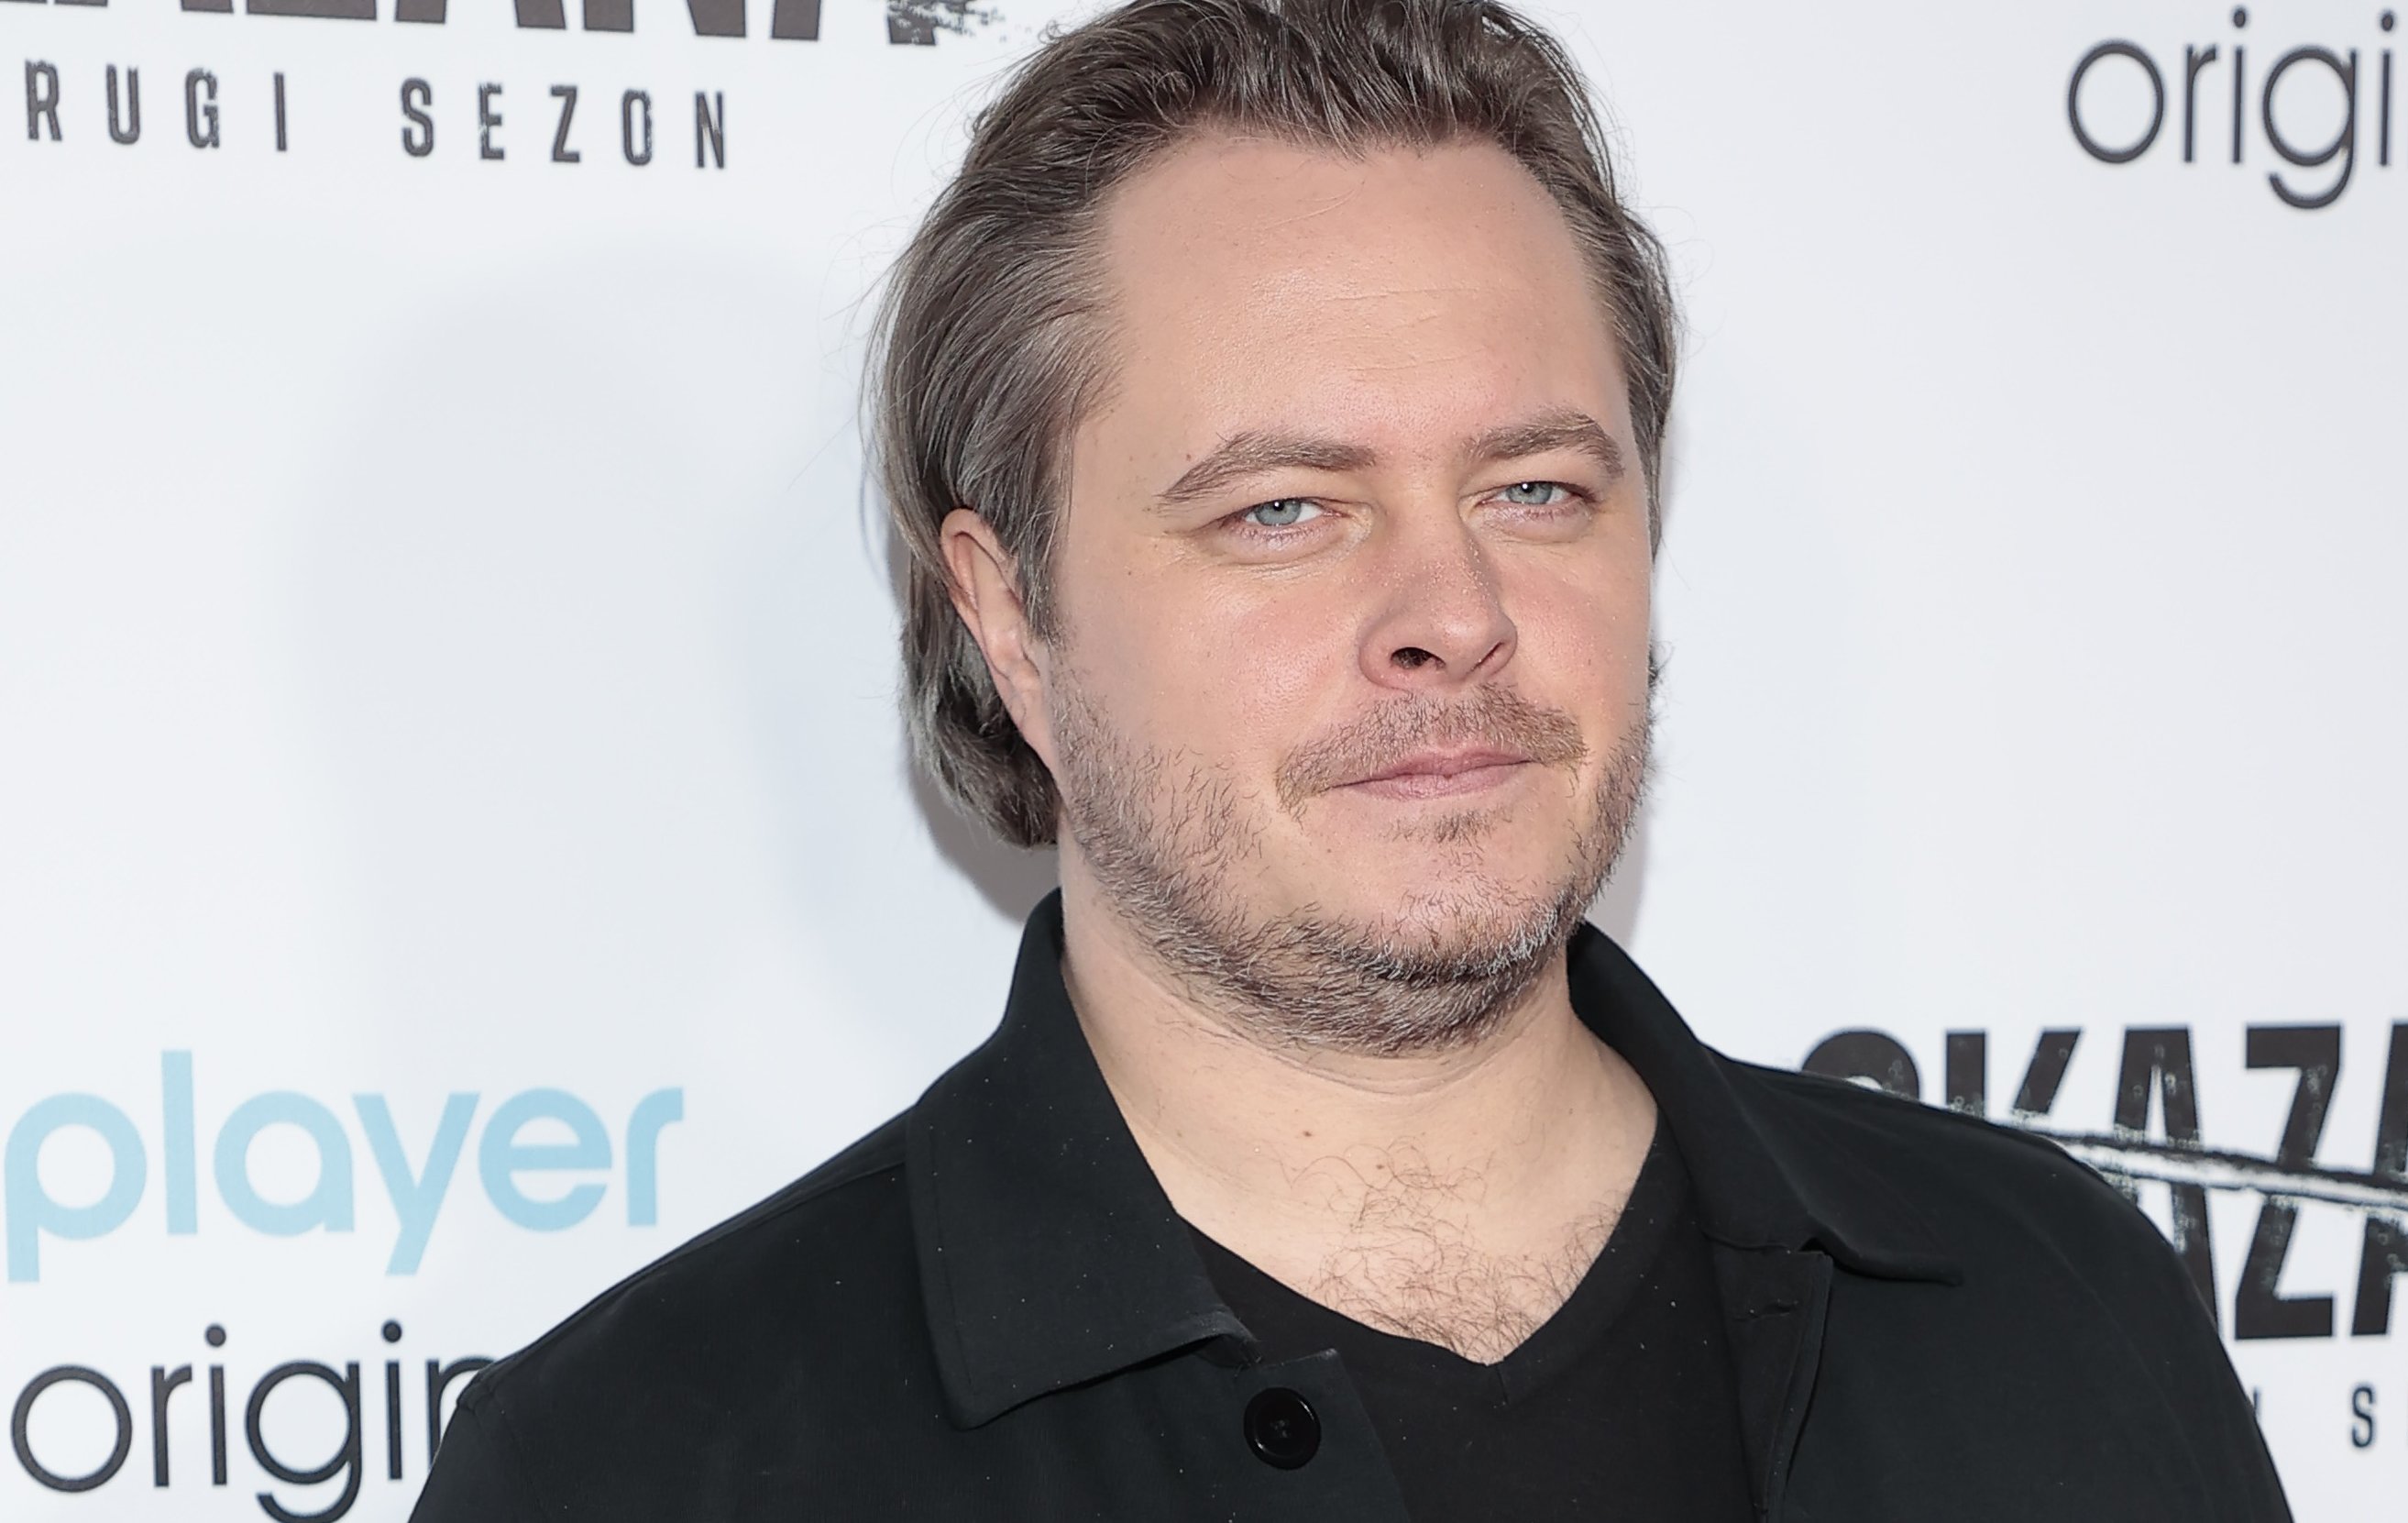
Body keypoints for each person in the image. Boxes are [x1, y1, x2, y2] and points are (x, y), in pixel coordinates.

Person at [412, 1, 2293, 1517]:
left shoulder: (2055, 1306)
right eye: (1282, 510)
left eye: (1535, 488)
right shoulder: (644, 1468)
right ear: (1010, 617)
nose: (1450, 613)